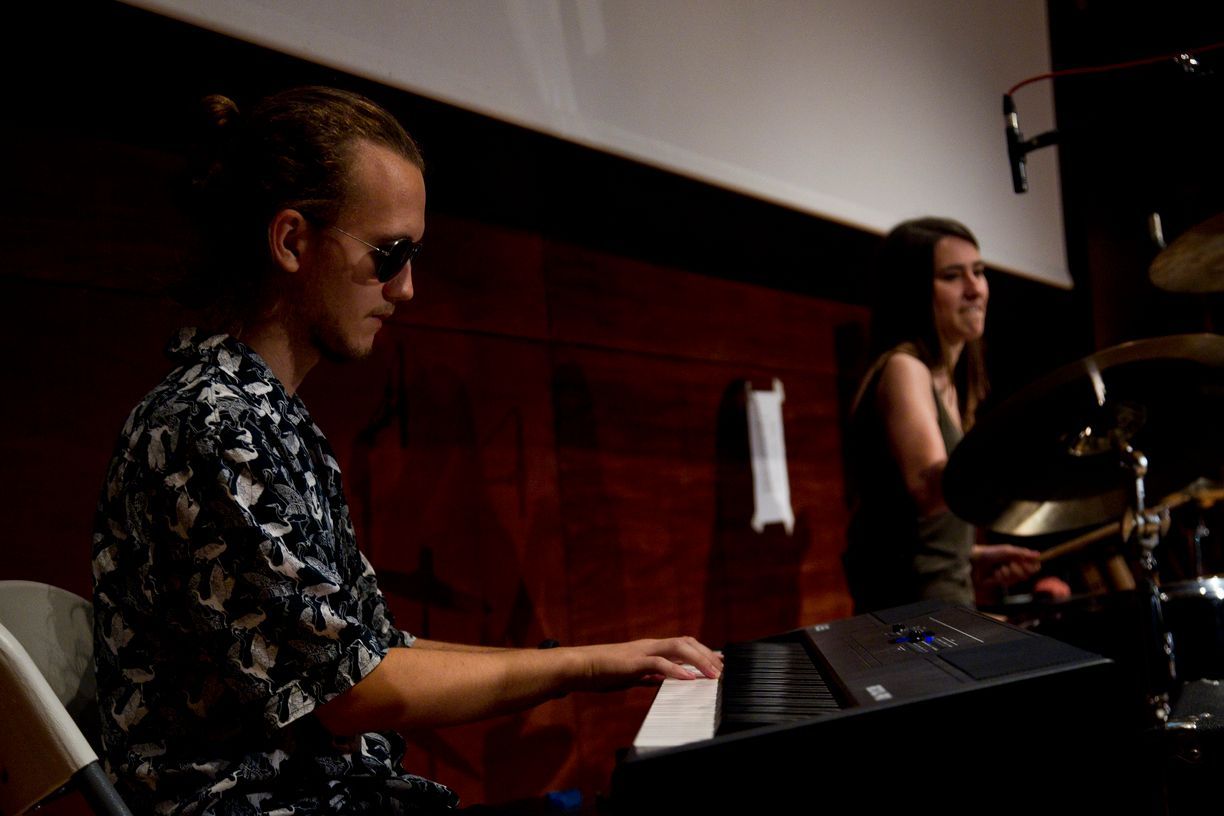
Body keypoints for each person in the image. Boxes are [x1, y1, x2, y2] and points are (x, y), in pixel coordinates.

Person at [90, 86, 721, 815]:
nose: (408, 288)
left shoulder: (265, 418)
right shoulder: (211, 426)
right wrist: (580, 669)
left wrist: (599, 659)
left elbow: (374, 652)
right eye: (390, 254)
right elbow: (355, 695)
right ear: (292, 240)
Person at [842, 217, 1045, 612]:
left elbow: (911, 530)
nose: (975, 289)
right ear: (913, 292)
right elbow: (933, 490)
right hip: (916, 616)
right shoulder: (904, 367)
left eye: (979, 272)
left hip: (941, 602)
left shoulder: (948, 383)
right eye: (953, 276)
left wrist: (970, 559)